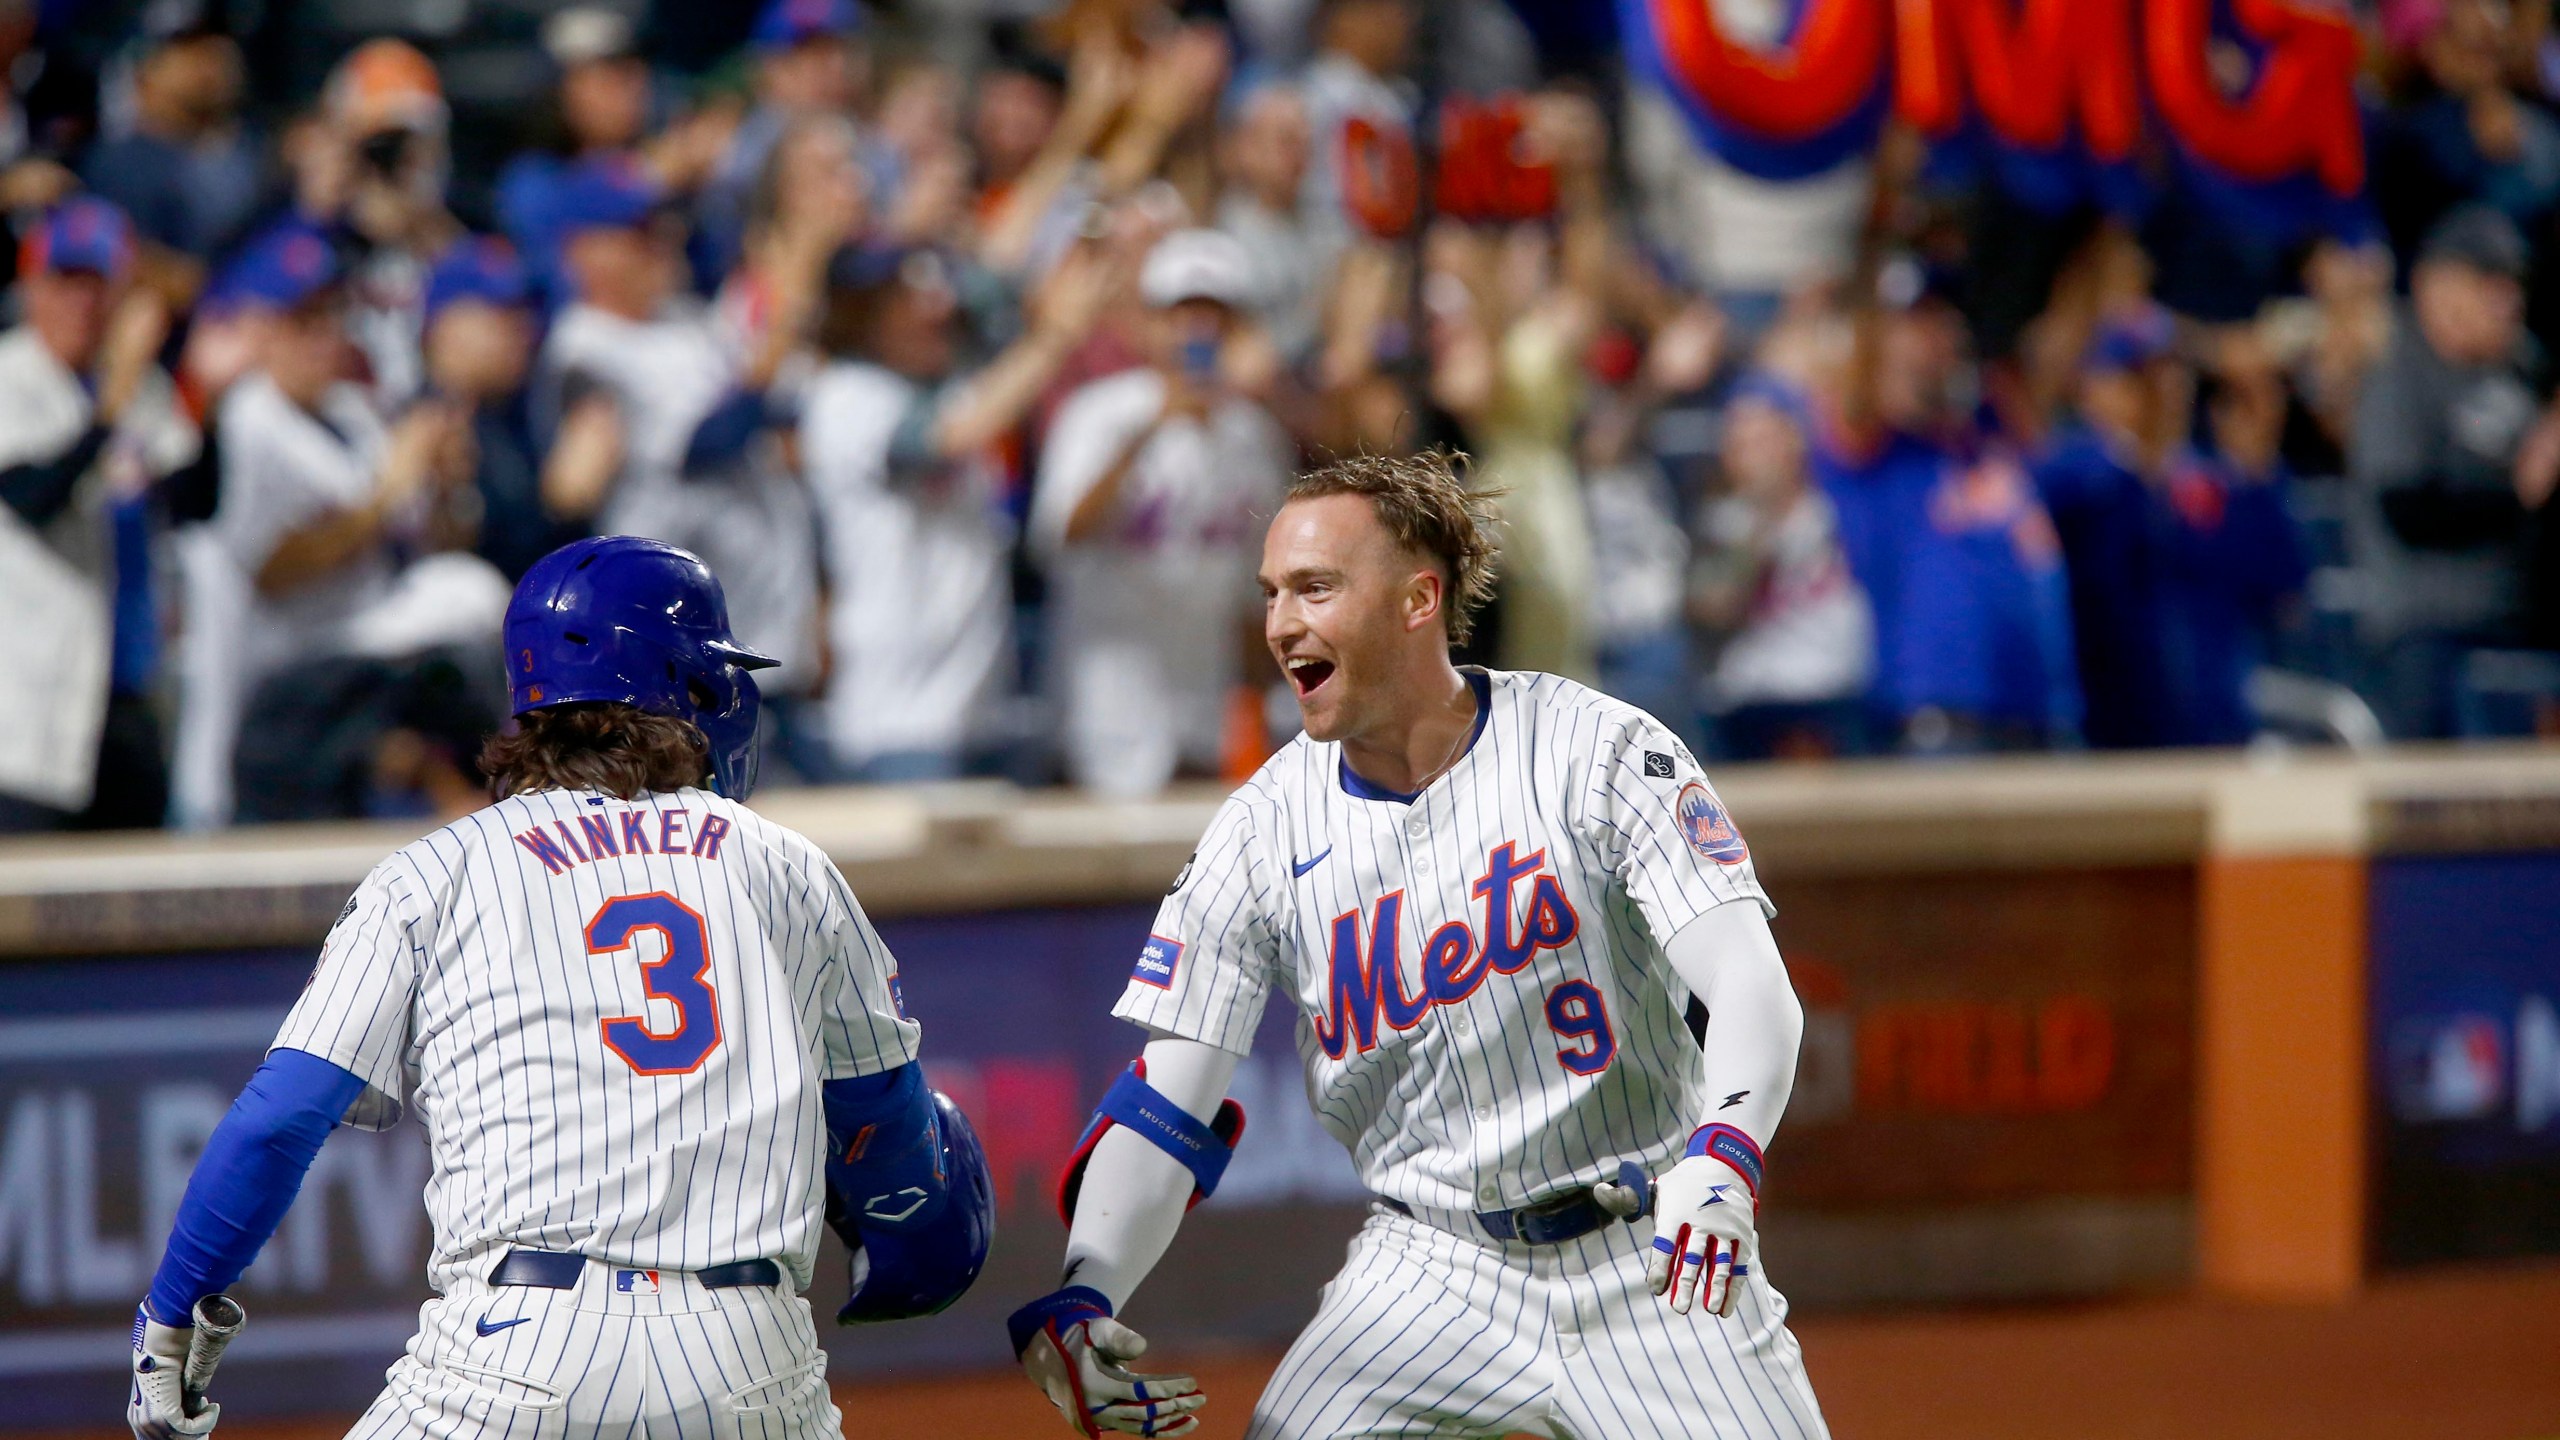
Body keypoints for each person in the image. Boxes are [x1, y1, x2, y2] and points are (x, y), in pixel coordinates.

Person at [1007, 452, 1831, 1440]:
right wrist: (1084, 1291)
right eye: (1271, 594)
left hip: (1646, 1242)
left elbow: (1748, 982)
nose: (1280, 625)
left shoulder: (1595, 749)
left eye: (1315, 588)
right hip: (1431, 1267)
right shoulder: (1260, 829)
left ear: (1416, 600)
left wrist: (1726, 1149)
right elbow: (1164, 1104)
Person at [126, 535, 994, 1440]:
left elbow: (279, 1118)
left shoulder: (435, 871)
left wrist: (175, 1309)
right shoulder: (789, 863)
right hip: (752, 1358)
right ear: (690, 687)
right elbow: (886, 1127)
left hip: (515, 1355)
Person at [801, 242, 1111, 781]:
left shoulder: (952, 389)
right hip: (898, 721)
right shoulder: (845, 397)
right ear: (862, 317)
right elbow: (946, 438)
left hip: (985, 713)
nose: (933, 313)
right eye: (902, 303)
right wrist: (1053, 337)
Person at [535, 153, 822, 693]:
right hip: (682, 656)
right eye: (639, 233)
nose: (663, 241)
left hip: (764, 626)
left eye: (664, 227)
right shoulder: (586, 346)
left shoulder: (685, 319)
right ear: (582, 254)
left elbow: (778, 409)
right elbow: (713, 439)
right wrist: (794, 303)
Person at [1032, 227, 1292, 797]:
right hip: (1103, 714)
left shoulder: (1254, 435)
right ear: (1150, 322)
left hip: (1202, 712)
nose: (1197, 330)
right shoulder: (1100, 413)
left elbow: (1262, 590)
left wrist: (1265, 713)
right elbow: (1057, 537)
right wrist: (1150, 429)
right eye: (1182, 313)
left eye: (1214, 315)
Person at [0, 196, 194, 830]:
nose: (81, 304)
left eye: (97, 286)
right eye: (65, 283)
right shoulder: (12, 376)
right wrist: (111, 409)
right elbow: (34, 498)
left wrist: (208, 397)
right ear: (31, 287)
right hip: (30, 716)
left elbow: (199, 498)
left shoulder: (141, 386)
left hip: (131, 698)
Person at [2347, 204, 2560, 735]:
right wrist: (2518, 493)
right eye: (2487, 282)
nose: (2505, 301)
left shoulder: (2522, 368)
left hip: (2518, 622)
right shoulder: (2400, 370)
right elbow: (2410, 510)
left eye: (2511, 285)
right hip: (2427, 630)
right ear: (2433, 285)